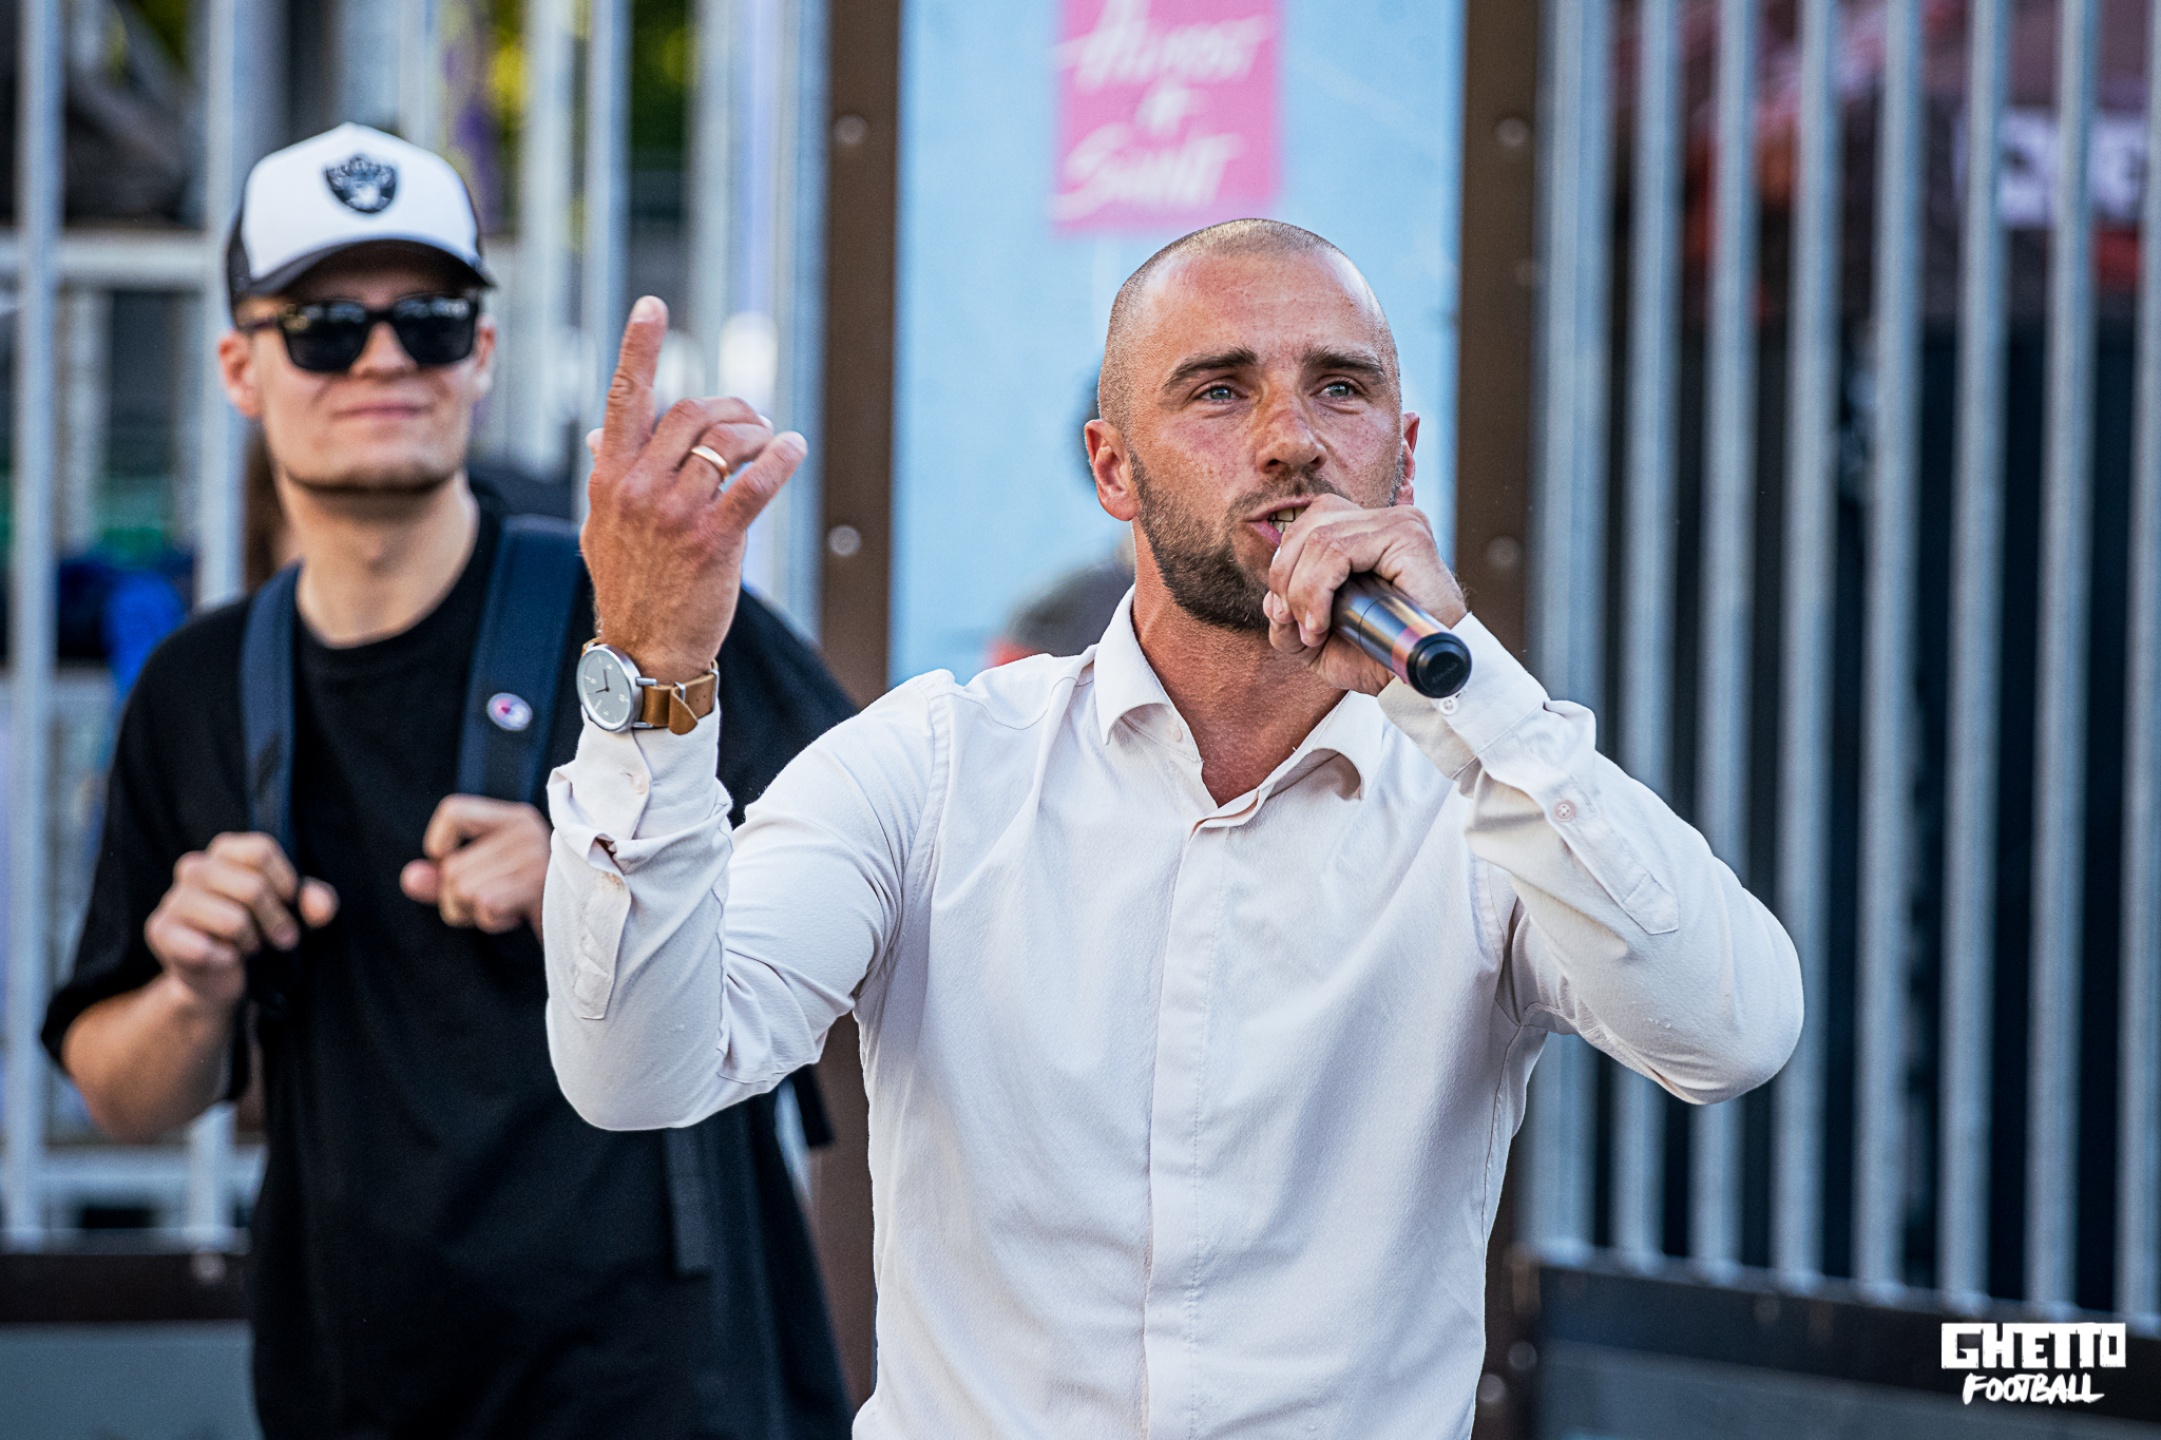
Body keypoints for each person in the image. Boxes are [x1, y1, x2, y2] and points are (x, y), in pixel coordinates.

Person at [544, 220, 1804, 1438]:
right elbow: (641, 1072)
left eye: (1341, 388)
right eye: (1218, 391)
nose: (1291, 440)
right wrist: (650, 677)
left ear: (1403, 457)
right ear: (1112, 469)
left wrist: (1470, 687)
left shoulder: (1486, 789)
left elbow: (1731, 1032)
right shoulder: (931, 769)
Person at [41, 123, 854, 1439]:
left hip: (671, 1386)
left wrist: (613, 872)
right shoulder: (195, 687)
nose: (381, 360)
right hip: (353, 1387)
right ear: (242, 367)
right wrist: (191, 984)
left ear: (479, 353)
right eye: (324, 328)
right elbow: (124, 1095)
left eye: (424, 322)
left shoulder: (637, 607)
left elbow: (880, 894)